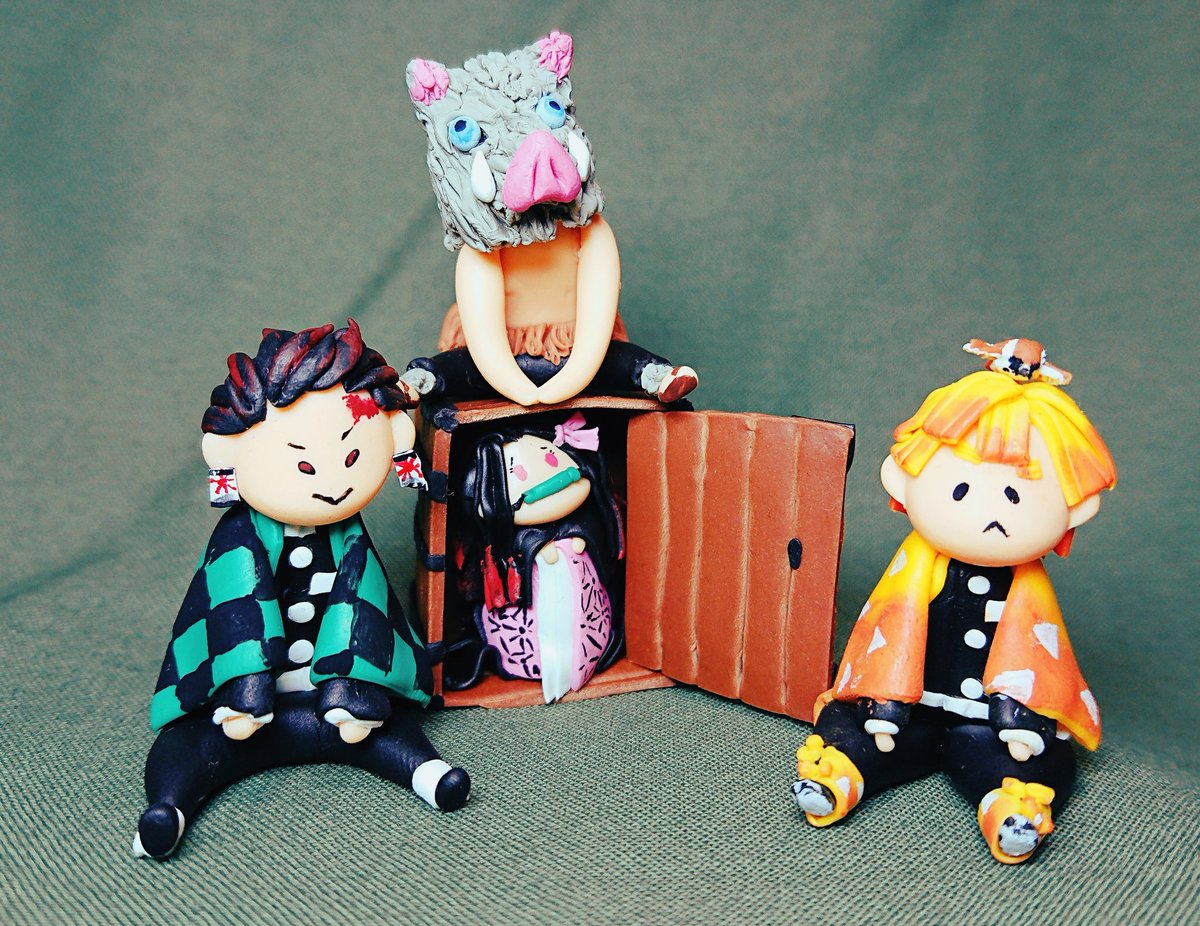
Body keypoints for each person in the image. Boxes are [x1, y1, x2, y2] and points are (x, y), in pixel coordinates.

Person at [134, 320, 468, 860]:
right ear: (225, 453)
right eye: (306, 465)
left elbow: (365, 606)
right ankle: (168, 807)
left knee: (379, 727)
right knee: (197, 743)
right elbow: (229, 609)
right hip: (248, 700)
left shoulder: (351, 539)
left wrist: (351, 680)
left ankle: (425, 770)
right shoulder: (237, 542)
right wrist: (246, 683)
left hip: (331, 691)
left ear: (395, 437)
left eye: (352, 457)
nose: (332, 483)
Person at [792, 340, 1117, 864]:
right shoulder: (911, 573)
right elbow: (885, 637)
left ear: (1075, 508)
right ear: (902, 479)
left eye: (1015, 495)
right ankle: (839, 777)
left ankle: (1010, 809)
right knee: (854, 729)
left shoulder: (1027, 590)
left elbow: (1041, 662)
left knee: (1027, 759)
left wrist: (1022, 717)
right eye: (962, 490)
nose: (991, 511)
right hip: (909, 708)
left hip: (989, 721)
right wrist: (885, 700)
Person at [402, 32, 697, 407]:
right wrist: (518, 388)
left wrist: (574, 376)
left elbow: (597, 309)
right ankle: (421, 379)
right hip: (500, 354)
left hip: (577, 347)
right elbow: (483, 333)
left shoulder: (590, 233)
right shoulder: (482, 251)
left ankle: (657, 375)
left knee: (618, 360)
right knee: (458, 367)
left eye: (552, 111)